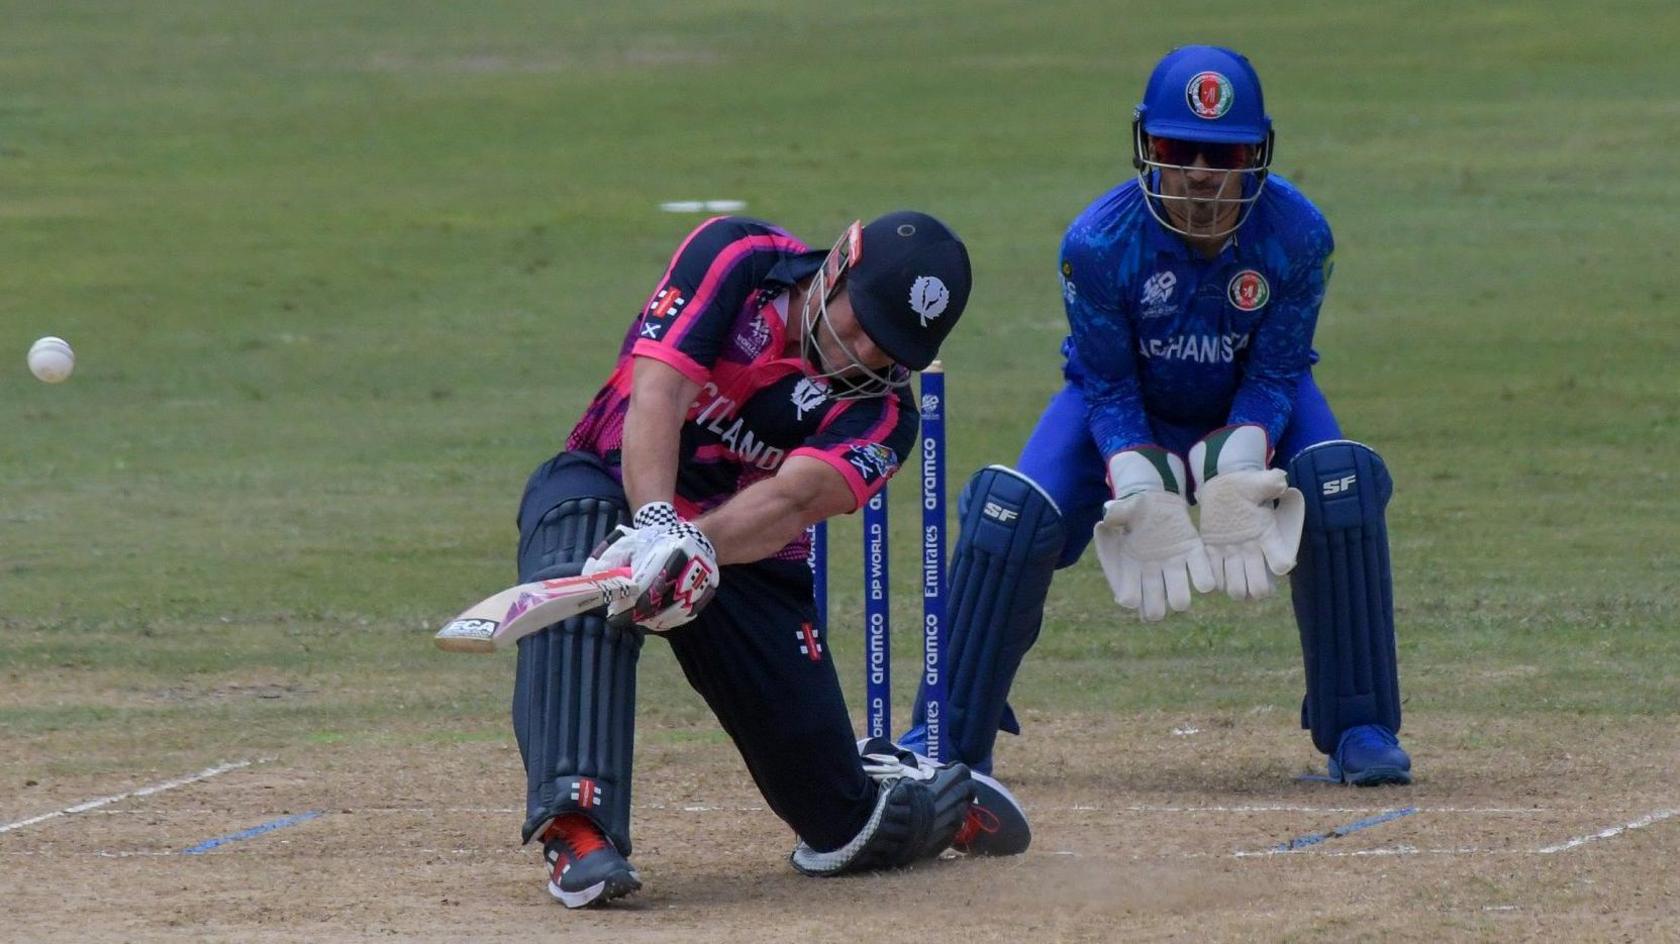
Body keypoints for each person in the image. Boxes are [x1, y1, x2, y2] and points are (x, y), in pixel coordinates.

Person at [896, 45, 1412, 856]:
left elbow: (1279, 368)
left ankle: (1361, 728)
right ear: (1148, 148)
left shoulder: (1300, 235)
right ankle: (947, 739)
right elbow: (1103, 382)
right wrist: (1136, 474)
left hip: (1254, 403)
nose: (1203, 174)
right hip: (1120, 405)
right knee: (1010, 515)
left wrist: (1235, 463)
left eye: (1225, 155)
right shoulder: (1098, 245)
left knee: (1338, 482)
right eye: (1179, 152)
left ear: (1257, 155)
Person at [511, 210, 977, 908]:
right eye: (859, 321)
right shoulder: (737, 257)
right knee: (581, 559)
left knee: (843, 829)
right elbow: (658, 389)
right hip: (610, 484)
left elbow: (792, 502)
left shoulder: (885, 419)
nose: (858, 353)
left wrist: (695, 547)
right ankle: (578, 829)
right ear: (840, 265)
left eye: (885, 348)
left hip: (745, 556)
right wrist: (657, 524)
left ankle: (926, 793)